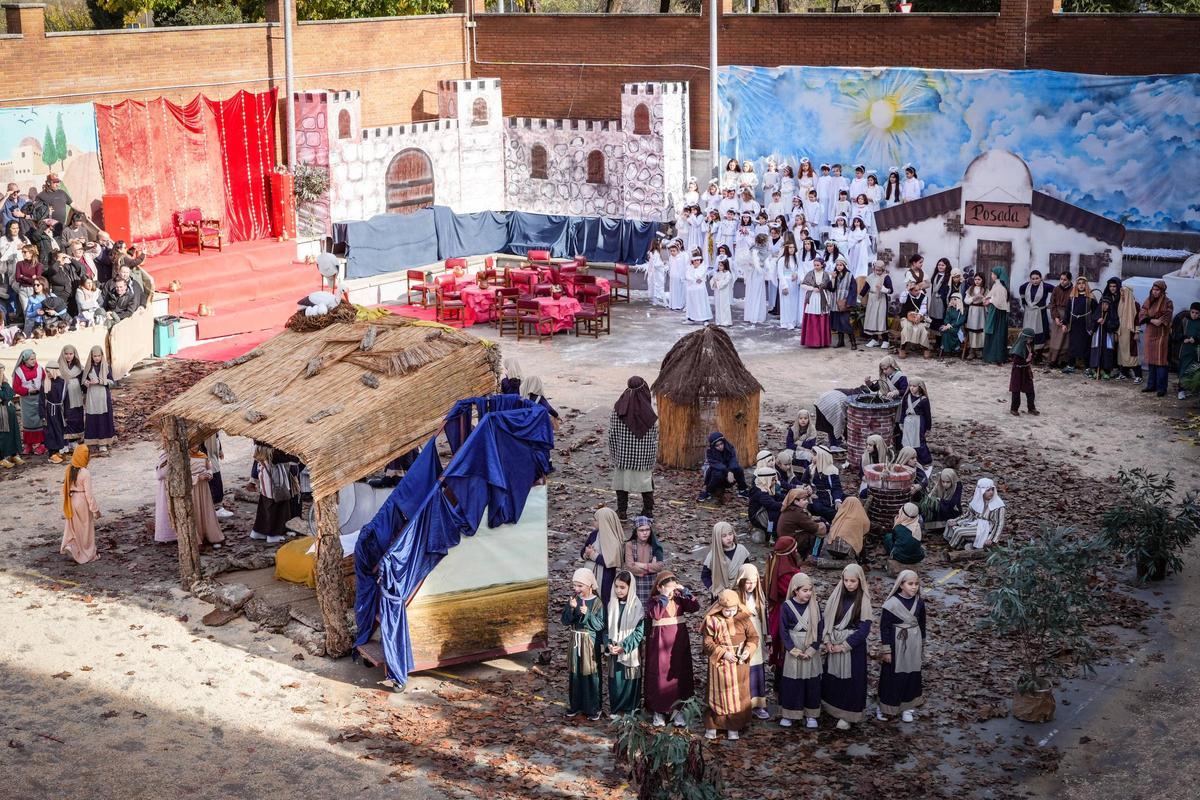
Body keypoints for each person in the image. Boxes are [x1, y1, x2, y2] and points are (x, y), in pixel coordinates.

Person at [700, 589, 759, 741]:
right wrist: (723, 653)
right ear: (720, 607)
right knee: (718, 694)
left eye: (733, 610)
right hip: (720, 663)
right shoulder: (712, 620)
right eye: (726, 610)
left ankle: (734, 726)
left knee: (738, 694)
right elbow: (707, 642)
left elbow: (753, 637)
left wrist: (747, 651)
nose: (730, 613)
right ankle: (713, 725)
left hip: (739, 663)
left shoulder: (743, 618)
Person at [821, 563, 874, 730]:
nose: (849, 584)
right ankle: (831, 708)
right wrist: (828, 641)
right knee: (833, 678)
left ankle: (848, 715)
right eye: (846, 580)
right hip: (834, 641)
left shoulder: (863, 600)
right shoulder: (837, 596)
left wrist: (845, 645)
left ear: (860, 581)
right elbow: (826, 621)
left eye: (853, 581)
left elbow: (864, 629)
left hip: (852, 648)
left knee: (851, 681)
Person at [644, 571, 700, 727]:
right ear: (660, 587)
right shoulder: (654, 601)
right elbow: (656, 614)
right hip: (660, 643)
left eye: (673, 587)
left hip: (678, 642)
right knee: (659, 675)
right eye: (668, 587)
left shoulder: (679, 599)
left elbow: (695, 607)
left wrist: (685, 591)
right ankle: (659, 711)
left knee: (679, 675)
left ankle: (678, 710)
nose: (671, 590)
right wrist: (663, 597)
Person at [876, 569, 927, 723]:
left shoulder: (919, 602)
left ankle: (907, 707)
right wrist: (887, 650)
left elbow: (922, 624)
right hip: (895, 644)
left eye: (916, 584)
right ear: (901, 585)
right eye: (910, 584)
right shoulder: (891, 604)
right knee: (892, 676)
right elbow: (884, 628)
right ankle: (885, 707)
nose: (914, 587)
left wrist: (922, 645)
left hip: (913, 643)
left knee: (911, 674)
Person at [607, 376, 658, 520]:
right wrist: (651, 458)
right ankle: (648, 511)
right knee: (646, 485)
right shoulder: (648, 413)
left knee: (621, 485)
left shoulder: (619, 408)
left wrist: (614, 454)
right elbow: (654, 439)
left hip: (623, 457)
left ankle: (622, 511)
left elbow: (612, 434)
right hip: (643, 458)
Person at [778, 572, 823, 729]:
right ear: (795, 590)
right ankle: (790, 714)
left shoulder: (815, 606)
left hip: (810, 647)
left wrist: (813, 649)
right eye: (804, 590)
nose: (808, 593)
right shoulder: (787, 606)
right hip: (794, 648)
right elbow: (783, 630)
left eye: (810, 590)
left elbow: (820, 629)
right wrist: (792, 649)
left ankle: (811, 714)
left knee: (812, 682)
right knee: (792, 681)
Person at [562, 567, 605, 721]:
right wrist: (571, 608)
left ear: (589, 585)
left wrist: (588, 614)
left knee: (590, 674)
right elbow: (565, 621)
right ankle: (575, 705)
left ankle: (593, 708)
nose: (576, 589)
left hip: (589, 642)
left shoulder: (597, 602)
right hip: (575, 640)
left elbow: (600, 625)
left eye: (580, 586)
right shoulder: (574, 600)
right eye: (574, 585)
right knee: (575, 673)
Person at [603, 570, 646, 718]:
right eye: (616, 586)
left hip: (629, 650)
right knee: (616, 681)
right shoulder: (612, 604)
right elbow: (606, 628)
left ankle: (630, 710)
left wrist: (624, 646)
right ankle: (616, 709)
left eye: (622, 587)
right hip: (614, 649)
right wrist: (609, 643)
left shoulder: (637, 606)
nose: (618, 590)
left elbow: (639, 632)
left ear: (630, 587)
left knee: (629, 680)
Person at [734, 563, 770, 719]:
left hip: (757, 634)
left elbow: (764, 617)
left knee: (756, 670)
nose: (751, 586)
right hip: (741, 636)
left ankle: (757, 704)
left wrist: (767, 636)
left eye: (754, 582)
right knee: (743, 669)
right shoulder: (734, 596)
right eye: (748, 582)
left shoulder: (759, 595)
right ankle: (742, 704)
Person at [765, 535, 803, 680]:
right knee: (785, 644)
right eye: (795, 550)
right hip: (788, 613)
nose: (797, 552)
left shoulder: (773, 565)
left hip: (776, 611)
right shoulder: (789, 574)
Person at [60, 444, 100, 564]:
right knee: (85, 529)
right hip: (82, 501)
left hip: (72, 500)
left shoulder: (69, 469)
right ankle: (87, 554)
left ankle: (71, 545)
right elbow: (89, 495)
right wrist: (95, 509)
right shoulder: (85, 473)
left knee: (73, 527)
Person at [250, 444, 296, 544]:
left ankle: (259, 532)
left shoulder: (259, 448)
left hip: (266, 483)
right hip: (275, 484)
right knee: (277, 509)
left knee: (264, 508)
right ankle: (273, 535)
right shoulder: (272, 452)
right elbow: (291, 458)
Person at [580, 507, 625, 606]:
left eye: (596, 520)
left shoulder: (613, 541)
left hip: (605, 577)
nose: (593, 522)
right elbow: (584, 549)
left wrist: (593, 555)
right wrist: (586, 553)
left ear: (603, 522)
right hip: (589, 573)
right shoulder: (593, 535)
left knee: (604, 600)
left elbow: (610, 561)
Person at [945, 478, 1006, 550]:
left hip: (986, 529)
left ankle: (952, 548)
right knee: (950, 523)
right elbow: (968, 515)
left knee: (959, 532)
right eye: (988, 490)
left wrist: (992, 539)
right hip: (975, 523)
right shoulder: (977, 500)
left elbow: (999, 524)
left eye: (992, 490)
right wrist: (956, 521)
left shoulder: (998, 506)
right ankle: (962, 543)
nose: (991, 492)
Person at [1138, 280, 1174, 397]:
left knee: (1161, 361)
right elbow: (1142, 313)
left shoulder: (1168, 302)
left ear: (1162, 291)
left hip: (1161, 335)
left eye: (1157, 290)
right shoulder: (1148, 300)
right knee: (1151, 360)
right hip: (1150, 334)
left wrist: (1155, 318)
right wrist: (1152, 319)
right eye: (1153, 289)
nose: (1155, 292)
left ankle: (1161, 388)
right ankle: (1151, 385)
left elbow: (1165, 318)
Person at [701, 521, 750, 599]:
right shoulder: (713, 556)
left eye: (730, 534)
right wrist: (713, 589)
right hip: (720, 595)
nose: (729, 538)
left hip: (739, 592)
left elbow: (748, 570)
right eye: (724, 536)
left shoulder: (741, 550)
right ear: (717, 538)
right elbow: (705, 576)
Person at [12, 350, 47, 456]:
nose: (34, 361)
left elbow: (45, 381)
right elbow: (16, 387)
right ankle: (29, 444)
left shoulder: (40, 369)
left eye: (34, 358)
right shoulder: (19, 371)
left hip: (38, 398)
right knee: (27, 422)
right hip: (26, 399)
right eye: (31, 359)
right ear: (25, 360)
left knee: (38, 421)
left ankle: (39, 444)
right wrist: (28, 390)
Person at [81, 346, 116, 450]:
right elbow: (83, 381)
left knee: (103, 418)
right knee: (92, 418)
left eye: (99, 356)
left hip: (103, 396)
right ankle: (93, 441)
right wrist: (86, 382)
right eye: (94, 356)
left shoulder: (106, 367)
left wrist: (100, 381)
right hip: (92, 396)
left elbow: (112, 382)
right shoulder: (88, 367)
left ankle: (103, 442)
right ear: (91, 356)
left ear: (102, 356)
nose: (97, 358)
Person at [624, 517, 664, 607]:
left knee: (651, 608)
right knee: (635, 608)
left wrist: (642, 565)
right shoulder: (630, 545)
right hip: (635, 582)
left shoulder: (654, 545)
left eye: (647, 530)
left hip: (651, 583)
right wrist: (651, 567)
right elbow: (630, 566)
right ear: (636, 531)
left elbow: (659, 566)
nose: (645, 533)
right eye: (641, 530)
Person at [778, 486, 826, 559]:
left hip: (785, 540)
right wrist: (823, 525)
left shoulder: (790, 509)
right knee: (819, 532)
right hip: (792, 542)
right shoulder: (797, 512)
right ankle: (813, 558)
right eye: (804, 500)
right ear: (796, 501)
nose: (807, 502)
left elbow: (806, 521)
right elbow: (813, 527)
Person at [699, 432, 748, 502]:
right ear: (713, 446)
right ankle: (708, 492)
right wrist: (728, 472)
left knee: (738, 469)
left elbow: (733, 460)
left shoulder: (729, 448)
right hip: (715, 477)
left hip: (729, 477)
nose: (720, 447)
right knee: (718, 473)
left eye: (721, 444)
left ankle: (742, 490)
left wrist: (731, 471)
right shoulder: (710, 452)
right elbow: (717, 465)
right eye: (717, 445)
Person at [1088, 279, 1121, 379]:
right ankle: (1095, 369)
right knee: (1097, 351)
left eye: (1107, 304)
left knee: (1107, 352)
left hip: (1107, 336)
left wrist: (1106, 323)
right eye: (1103, 304)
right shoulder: (1098, 312)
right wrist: (1097, 322)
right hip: (1098, 336)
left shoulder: (1112, 313)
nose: (1105, 306)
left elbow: (1115, 323)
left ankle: (1106, 370)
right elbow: (1092, 323)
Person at [1063, 277, 1095, 374]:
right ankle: (1071, 365)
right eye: (1079, 283)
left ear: (1086, 285)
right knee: (1072, 346)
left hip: (1085, 326)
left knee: (1086, 347)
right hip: (1074, 326)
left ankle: (1088, 367)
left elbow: (1096, 312)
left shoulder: (1090, 298)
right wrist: (1064, 323)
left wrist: (1093, 325)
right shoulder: (1072, 297)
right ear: (1076, 285)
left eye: (1083, 283)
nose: (1081, 285)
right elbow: (1067, 311)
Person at [918, 469, 962, 538]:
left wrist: (939, 501)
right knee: (929, 504)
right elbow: (931, 495)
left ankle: (942, 526)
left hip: (952, 510)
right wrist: (931, 501)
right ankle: (933, 526)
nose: (945, 484)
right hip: (940, 506)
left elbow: (953, 503)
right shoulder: (939, 485)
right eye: (943, 482)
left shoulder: (957, 486)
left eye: (948, 482)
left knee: (941, 506)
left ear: (952, 480)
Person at [825, 495, 870, 561]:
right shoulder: (859, 517)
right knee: (861, 537)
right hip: (846, 550)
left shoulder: (840, 515)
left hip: (831, 547)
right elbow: (866, 529)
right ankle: (862, 558)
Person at [898, 379, 932, 467]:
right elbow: (903, 411)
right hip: (907, 421)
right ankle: (909, 458)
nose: (912, 388)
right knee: (907, 440)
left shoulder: (924, 400)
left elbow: (927, 414)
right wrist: (901, 422)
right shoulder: (906, 397)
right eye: (910, 386)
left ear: (920, 387)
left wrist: (928, 428)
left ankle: (924, 460)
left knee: (919, 441)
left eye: (914, 386)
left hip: (918, 422)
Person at [800, 257, 832, 348]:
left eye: (818, 265)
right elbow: (803, 284)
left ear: (822, 265)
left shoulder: (826, 274)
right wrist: (812, 288)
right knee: (812, 318)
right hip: (812, 297)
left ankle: (822, 341)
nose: (816, 267)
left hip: (822, 298)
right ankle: (812, 341)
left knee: (822, 318)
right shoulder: (810, 274)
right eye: (814, 265)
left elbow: (829, 286)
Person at [882, 503, 925, 572]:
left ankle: (892, 557)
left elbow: (894, 539)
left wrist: (895, 524)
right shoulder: (917, 526)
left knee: (887, 537)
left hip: (900, 557)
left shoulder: (898, 528)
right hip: (917, 557)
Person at [859, 260, 892, 348]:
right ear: (874, 268)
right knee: (872, 319)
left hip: (881, 300)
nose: (877, 272)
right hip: (872, 300)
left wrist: (883, 289)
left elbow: (891, 290)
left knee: (881, 320)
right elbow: (865, 288)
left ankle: (885, 340)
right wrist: (859, 297)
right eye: (876, 270)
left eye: (879, 270)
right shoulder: (870, 277)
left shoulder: (886, 277)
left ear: (883, 269)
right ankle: (874, 339)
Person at [1018, 270, 1051, 357]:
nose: (1035, 281)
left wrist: (1052, 303)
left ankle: (1039, 355)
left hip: (1041, 313)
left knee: (1041, 334)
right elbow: (1021, 289)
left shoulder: (1045, 286)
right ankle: (1029, 353)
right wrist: (1024, 302)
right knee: (1029, 332)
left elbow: (1056, 291)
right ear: (1030, 279)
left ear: (1041, 278)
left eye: (1037, 278)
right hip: (1029, 313)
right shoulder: (1026, 286)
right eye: (1033, 279)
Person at [1008, 328, 1039, 416]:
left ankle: (1031, 408)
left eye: (1032, 338)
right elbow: (1016, 360)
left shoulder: (1029, 346)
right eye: (1029, 338)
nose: (1030, 340)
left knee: (1030, 389)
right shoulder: (1019, 347)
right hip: (1017, 371)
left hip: (1026, 370)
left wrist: (1031, 358)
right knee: (1016, 390)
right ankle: (1014, 409)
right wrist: (1026, 360)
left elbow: (1031, 355)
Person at [982, 266, 1010, 365]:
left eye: (993, 274)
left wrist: (989, 300)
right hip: (994, 311)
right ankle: (991, 355)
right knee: (992, 333)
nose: (991, 275)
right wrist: (988, 299)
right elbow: (993, 296)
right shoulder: (996, 285)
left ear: (997, 275)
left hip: (998, 313)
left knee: (996, 334)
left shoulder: (1000, 287)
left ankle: (996, 356)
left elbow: (1000, 301)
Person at [829, 256, 858, 349]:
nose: (838, 267)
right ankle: (841, 342)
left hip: (844, 303)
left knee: (845, 322)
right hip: (835, 303)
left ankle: (853, 343)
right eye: (837, 265)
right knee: (837, 323)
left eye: (841, 265)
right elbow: (831, 289)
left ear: (844, 265)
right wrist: (833, 278)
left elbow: (853, 290)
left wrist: (849, 302)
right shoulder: (834, 275)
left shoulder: (849, 275)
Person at [1116, 284, 1142, 383]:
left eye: (1124, 292)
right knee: (1122, 354)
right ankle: (1123, 373)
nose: (1122, 294)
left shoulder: (1135, 305)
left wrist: (1137, 332)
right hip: (1121, 333)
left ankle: (1138, 376)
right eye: (1121, 292)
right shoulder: (1121, 303)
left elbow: (1137, 320)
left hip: (1130, 333)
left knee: (1132, 354)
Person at [898, 280, 931, 359]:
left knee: (922, 329)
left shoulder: (923, 297)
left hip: (918, 318)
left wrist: (919, 315)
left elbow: (923, 308)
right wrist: (907, 290)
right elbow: (901, 300)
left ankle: (926, 348)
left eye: (919, 289)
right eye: (915, 290)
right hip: (906, 318)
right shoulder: (906, 294)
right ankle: (903, 348)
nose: (918, 292)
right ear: (910, 290)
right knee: (907, 328)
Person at [1047, 271, 1074, 368]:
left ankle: (1063, 361)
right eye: (1061, 279)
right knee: (1055, 338)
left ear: (1069, 280)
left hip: (1068, 315)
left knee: (1065, 339)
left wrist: (1066, 319)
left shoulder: (1073, 290)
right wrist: (1056, 317)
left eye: (1065, 280)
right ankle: (1053, 360)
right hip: (1057, 315)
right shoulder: (1056, 289)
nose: (1062, 281)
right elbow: (1052, 304)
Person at [748, 466, 783, 539]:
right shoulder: (761, 492)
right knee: (774, 512)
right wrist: (784, 504)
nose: (775, 482)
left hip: (763, 510)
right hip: (757, 516)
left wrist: (787, 497)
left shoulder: (765, 487)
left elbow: (775, 496)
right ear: (766, 479)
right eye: (773, 480)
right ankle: (771, 532)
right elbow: (771, 504)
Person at [776, 240, 802, 330]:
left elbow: (798, 269)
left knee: (793, 302)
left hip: (794, 283)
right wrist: (784, 286)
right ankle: (786, 322)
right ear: (786, 248)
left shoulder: (796, 259)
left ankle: (793, 321)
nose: (792, 249)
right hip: (786, 282)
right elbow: (780, 274)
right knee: (786, 303)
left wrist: (796, 274)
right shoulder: (782, 260)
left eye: (793, 247)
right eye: (790, 247)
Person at [0, 366, 23, 468]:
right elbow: (5, 396)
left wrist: (5, 384)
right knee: (3, 435)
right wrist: (5, 386)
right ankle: (2, 458)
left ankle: (13, 454)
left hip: (10, 413)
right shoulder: (4, 385)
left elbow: (11, 393)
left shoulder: (4, 384)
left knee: (13, 433)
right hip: (2, 414)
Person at [963, 273, 988, 360]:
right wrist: (974, 298)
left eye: (979, 279)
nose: (977, 281)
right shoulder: (971, 289)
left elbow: (988, 301)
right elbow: (966, 301)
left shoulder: (985, 290)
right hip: (973, 311)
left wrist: (984, 300)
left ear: (982, 280)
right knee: (972, 331)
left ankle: (979, 350)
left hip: (981, 311)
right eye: (975, 279)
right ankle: (972, 350)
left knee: (981, 331)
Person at [684, 249, 712, 323]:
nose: (696, 262)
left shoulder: (703, 267)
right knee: (692, 304)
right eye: (695, 260)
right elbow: (687, 276)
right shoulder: (690, 268)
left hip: (700, 289)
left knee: (701, 303)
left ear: (700, 260)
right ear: (692, 261)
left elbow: (700, 276)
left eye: (698, 260)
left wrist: (696, 278)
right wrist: (694, 279)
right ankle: (691, 318)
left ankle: (704, 318)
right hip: (692, 289)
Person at [1179, 303, 1200, 399]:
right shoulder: (1185, 320)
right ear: (1190, 311)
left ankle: (1190, 389)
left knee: (1194, 370)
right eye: (1193, 312)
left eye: (1197, 313)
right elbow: (1177, 333)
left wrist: (1195, 339)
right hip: (1185, 349)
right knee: (1184, 369)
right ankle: (1181, 390)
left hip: (1196, 351)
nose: (1194, 315)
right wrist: (1183, 338)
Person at [666, 240, 687, 312]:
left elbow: (682, 268)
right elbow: (670, 267)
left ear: (677, 251)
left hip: (679, 277)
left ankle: (678, 305)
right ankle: (673, 304)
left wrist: (682, 277)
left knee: (678, 292)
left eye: (674, 251)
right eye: (671, 251)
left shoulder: (680, 257)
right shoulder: (671, 258)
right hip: (673, 277)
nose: (672, 252)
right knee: (673, 291)